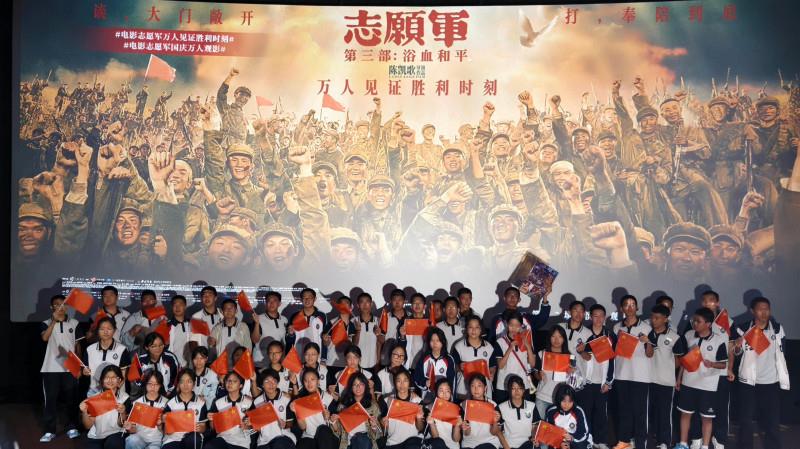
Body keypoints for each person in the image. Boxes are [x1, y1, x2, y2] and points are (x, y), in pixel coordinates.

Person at [731, 297, 790, 449]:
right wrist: (737, 346)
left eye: (767, 309)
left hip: (771, 382)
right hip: (749, 382)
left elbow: (782, 352)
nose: (764, 312)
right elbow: (736, 353)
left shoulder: (777, 328)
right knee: (746, 421)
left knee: (772, 422)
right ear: (752, 311)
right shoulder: (743, 328)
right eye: (760, 309)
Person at [673, 307, 728, 449]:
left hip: (707, 385)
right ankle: (683, 444)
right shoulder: (689, 335)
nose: (695, 323)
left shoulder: (718, 340)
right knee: (685, 414)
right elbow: (685, 360)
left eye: (698, 321)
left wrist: (712, 364)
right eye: (694, 320)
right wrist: (679, 378)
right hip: (688, 382)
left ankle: (704, 446)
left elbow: (723, 364)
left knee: (706, 418)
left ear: (708, 324)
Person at [39, 294, 83, 442]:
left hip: (70, 368)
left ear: (67, 306)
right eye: (57, 304)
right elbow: (45, 338)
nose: (60, 307)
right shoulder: (46, 323)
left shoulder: (75, 323)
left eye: (63, 304)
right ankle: (49, 431)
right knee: (50, 400)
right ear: (52, 307)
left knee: (72, 399)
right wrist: (54, 321)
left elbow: (78, 346)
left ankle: (72, 427)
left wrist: (79, 367)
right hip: (51, 367)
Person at [611, 295, 652, 449]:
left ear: (637, 307)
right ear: (621, 308)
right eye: (626, 305)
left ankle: (641, 444)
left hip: (640, 376)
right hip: (621, 375)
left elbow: (650, 354)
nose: (630, 307)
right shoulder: (616, 327)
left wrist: (648, 342)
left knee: (640, 413)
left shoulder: (647, 328)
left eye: (633, 304)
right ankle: (624, 441)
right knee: (624, 411)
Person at [577, 304, 615, 449]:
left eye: (601, 316)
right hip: (586, 382)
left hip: (602, 383)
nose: (598, 319)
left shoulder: (610, 335)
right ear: (590, 317)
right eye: (595, 316)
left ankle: (601, 441)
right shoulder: (585, 334)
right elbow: (582, 357)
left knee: (601, 414)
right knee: (586, 412)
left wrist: (609, 382)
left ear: (605, 317)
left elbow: (613, 360)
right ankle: (588, 440)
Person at [647, 304, 682, 449]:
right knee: (648, 413)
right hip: (648, 380)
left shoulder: (674, 337)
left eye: (657, 318)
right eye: (652, 317)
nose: (654, 320)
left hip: (666, 382)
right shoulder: (647, 334)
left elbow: (679, 360)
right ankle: (647, 439)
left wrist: (667, 370)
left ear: (666, 319)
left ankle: (664, 442)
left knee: (665, 413)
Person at [80, 364, 130, 449]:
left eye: (114, 377)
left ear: (119, 380)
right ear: (102, 380)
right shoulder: (94, 398)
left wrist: (123, 412)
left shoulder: (125, 398)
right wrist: (84, 412)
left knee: (114, 443)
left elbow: (122, 424)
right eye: (107, 377)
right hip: (97, 435)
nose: (110, 380)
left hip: (116, 433)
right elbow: (88, 426)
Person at [330, 372, 382, 449]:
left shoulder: (373, 405)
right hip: (347, 444)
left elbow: (379, 435)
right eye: (355, 384)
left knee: (361, 438)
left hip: (365, 443)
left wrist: (374, 426)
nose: (358, 387)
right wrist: (333, 422)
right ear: (351, 387)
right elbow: (338, 433)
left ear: (365, 386)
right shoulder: (343, 405)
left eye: (361, 384)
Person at [452, 315, 499, 400]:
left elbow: (492, 366)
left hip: (484, 392)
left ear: (481, 329)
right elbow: (453, 366)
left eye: (477, 327)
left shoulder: (489, 347)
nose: (474, 330)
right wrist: (459, 367)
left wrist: (492, 373)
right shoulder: (458, 346)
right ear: (466, 329)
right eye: (471, 327)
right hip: (463, 391)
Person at [82, 316, 131, 396]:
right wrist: (85, 372)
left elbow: (123, 375)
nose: (105, 332)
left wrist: (115, 391)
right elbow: (85, 370)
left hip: (115, 392)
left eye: (109, 329)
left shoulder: (122, 349)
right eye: (102, 329)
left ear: (114, 330)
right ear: (97, 331)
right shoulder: (90, 349)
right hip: (95, 392)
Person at [496, 311, 536, 404]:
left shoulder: (526, 340)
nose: (514, 328)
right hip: (504, 385)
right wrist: (510, 348)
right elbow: (500, 366)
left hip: (523, 385)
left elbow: (532, 364)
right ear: (507, 324)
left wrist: (528, 346)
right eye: (511, 325)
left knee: (524, 410)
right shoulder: (500, 342)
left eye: (517, 326)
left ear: (521, 326)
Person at [162, 369, 208, 449]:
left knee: (194, 439)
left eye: (189, 381)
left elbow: (203, 426)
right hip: (173, 439)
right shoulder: (170, 404)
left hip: (192, 438)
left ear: (194, 383)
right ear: (178, 384)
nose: (185, 385)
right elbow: (165, 430)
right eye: (182, 381)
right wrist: (167, 425)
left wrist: (200, 428)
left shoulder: (201, 403)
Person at [380, 367, 425, 449]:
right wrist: (383, 424)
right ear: (394, 382)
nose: (402, 384)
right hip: (393, 443)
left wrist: (419, 419)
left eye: (405, 381)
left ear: (409, 382)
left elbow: (420, 428)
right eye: (398, 381)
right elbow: (384, 429)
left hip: (413, 441)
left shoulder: (417, 401)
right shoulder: (387, 401)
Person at [291, 369, 337, 449]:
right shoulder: (301, 400)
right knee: (303, 444)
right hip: (309, 436)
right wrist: (297, 412)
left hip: (326, 437)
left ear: (318, 381)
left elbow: (336, 429)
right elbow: (303, 427)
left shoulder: (328, 398)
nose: (309, 383)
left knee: (323, 429)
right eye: (306, 381)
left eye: (312, 379)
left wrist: (330, 419)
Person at [207, 371, 253, 449]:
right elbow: (213, 428)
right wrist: (211, 420)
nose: (230, 383)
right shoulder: (218, 402)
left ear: (241, 385)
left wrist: (248, 426)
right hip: (223, 439)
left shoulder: (249, 402)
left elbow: (254, 427)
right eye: (228, 380)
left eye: (234, 381)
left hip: (242, 442)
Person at [252, 368, 296, 449]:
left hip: (283, 437)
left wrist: (285, 424)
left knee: (279, 444)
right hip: (264, 441)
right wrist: (251, 424)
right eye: (267, 381)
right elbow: (257, 428)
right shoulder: (257, 402)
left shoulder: (286, 399)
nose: (271, 384)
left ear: (277, 383)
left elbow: (291, 422)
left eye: (274, 381)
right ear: (262, 385)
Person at [533, 326, 572, 419]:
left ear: (564, 339)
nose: (556, 340)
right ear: (549, 338)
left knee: (557, 426)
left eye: (560, 336)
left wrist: (572, 373)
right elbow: (535, 374)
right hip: (542, 397)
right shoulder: (542, 354)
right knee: (540, 424)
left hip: (561, 400)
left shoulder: (569, 356)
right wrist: (539, 375)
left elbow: (573, 380)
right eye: (553, 336)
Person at [124, 370, 168, 449]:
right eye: (150, 383)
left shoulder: (166, 403)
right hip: (140, 438)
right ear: (145, 384)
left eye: (156, 384)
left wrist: (160, 425)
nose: (153, 387)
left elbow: (168, 432)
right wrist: (129, 428)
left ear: (160, 385)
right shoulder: (137, 403)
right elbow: (132, 430)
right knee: (132, 440)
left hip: (157, 441)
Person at [413, 327, 456, 402]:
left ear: (443, 342)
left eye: (438, 340)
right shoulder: (423, 358)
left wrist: (451, 399)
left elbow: (452, 381)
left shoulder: (449, 359)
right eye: (432, 340)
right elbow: (416, 377)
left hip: (444, 397)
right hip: (427, 396)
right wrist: (425, 383)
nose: (435, 343)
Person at [460, 374, 502, 449]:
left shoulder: (493, 405)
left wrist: (495, 421)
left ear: (485, 388)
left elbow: (494, 432)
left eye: (479, 386)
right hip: (469, 444)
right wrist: (465, 427)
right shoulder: (464, 405)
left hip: (489, 442)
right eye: (473, 386)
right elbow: (466, 434)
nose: (476, 389)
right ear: (469, 388)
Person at [543, 383, 591, 449]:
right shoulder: (551, 411)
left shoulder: (578, 411)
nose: (566, 405)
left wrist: (572, 438)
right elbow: (549, 433)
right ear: (558, 399)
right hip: (558, 442)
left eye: (570, 401)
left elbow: (584, 433)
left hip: (576, 441)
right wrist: (560, 443)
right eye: (564, 401)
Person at [498, 375, 537, 449]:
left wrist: (534, 437)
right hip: (508, 445)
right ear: (509, 390)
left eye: (519, 388)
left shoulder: (532, 406)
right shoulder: (501, 407)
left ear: (523, 390)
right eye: (513, 388)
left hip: (527, 444)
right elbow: (498, 431)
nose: (517, 391)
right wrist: (506, 447)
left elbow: (535, 426)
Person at [136, 332, 181, 396]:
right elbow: (138, 381)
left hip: (168, 393)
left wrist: (170, 390)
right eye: (153, 346)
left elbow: (176, 376)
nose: (158, 348)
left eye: (161, 345)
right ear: (146, 347)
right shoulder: (141, 360)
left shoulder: (170, 357)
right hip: (148, 393)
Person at [252, 291, 289, 368]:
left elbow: (284, 342)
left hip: (277, 362)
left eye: (274, 301)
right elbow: (255, 340)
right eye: (269, 301)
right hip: (260, 362)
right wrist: (257, 323)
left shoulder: (284, 320)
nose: (271, 303)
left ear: (279, 303)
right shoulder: (258, 318)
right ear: (266, 303)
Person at [287, 288, 328, 355]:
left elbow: (324, 339)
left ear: (315, 299)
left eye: (310, 297)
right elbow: (289, 340)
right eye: (304, 297)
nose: (307, 300)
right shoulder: (295, 316)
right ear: (301, 299)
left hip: (316, 356)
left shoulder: (321, 316)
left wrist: (323, 357)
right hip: (298, 355)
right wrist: (290, 335)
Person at [426, 378, 463, 449]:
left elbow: (456, 439)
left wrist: (457, 426)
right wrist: (432, 424)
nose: (444, 394)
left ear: (451, 393)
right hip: (436, 445)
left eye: (447, 391)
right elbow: (435, 437)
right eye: (441, 391)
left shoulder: (456, 410)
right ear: (436, 392)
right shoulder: (430, 409)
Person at [352, 292, 381, 370]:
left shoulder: (378, 321)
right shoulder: (353, 321)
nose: (365, 305)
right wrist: (358, 331)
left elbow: (380, 343)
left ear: (371, 304)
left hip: (373, 363)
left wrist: (378, 361)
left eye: (367, 302)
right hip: (357, 364)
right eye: (362, 302)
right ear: (358, 305)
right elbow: (353, 344)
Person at [168, 294, 192, 367]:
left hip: (189, 365)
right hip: (171, 365)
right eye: (175, 305)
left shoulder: (193, 324)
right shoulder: (166, 325)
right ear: (172, 307)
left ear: (185, 306)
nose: (177, 307)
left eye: (180, 304)